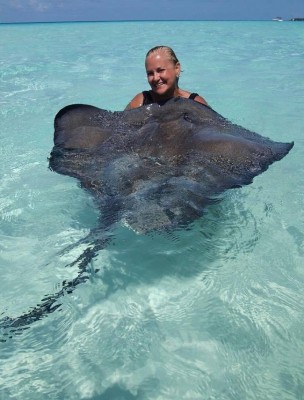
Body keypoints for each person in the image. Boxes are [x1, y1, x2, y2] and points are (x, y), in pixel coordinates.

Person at [125, 45, 208, 110]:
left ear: (177, 68)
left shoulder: (195, 103)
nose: (155, 78)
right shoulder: (141, 101)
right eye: (150, 73)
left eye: (160, 70)